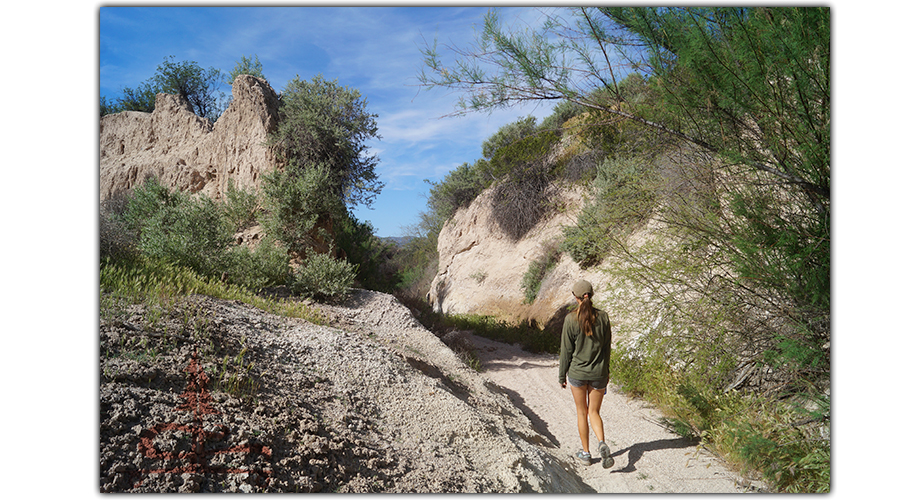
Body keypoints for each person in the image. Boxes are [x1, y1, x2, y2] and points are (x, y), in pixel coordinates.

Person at [558, 279, 614, 468]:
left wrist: (561, 376)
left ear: (575, 297)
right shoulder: (604, 317)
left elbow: (565, 351)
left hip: (578, 374)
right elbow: (607, 348)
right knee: (594, 412)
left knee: (582, 413)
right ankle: (601, 442)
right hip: (599, 373)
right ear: (591, 295)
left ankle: (586, 453)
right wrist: (606, 372)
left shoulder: (570, 319)